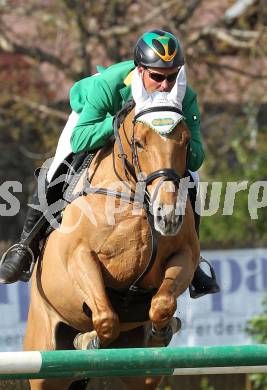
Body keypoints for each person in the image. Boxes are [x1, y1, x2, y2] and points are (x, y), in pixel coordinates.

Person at [0, 29, 219, 298]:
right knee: (56, 168)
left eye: (172, 77)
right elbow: (81, 139)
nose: (165, 85)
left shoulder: (185, 96)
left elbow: (195, 158)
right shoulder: (108, 85)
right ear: (140, 71)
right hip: (96, 118)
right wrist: (119, 121)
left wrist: (182, 135)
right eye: (157, 77)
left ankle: (194, 261)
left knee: (191, 179)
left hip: (149, 145)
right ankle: (26, 247)